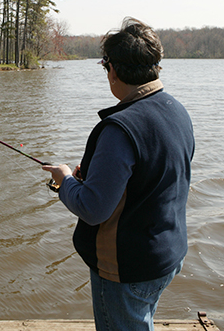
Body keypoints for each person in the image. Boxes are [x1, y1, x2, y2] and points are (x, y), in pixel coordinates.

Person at [43, 17, 195, 331]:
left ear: (112, 70)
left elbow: (93, 209)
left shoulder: (119, 130)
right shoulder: (177, 110)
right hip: (168, 255)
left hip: (127, 269)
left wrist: (65, 180)